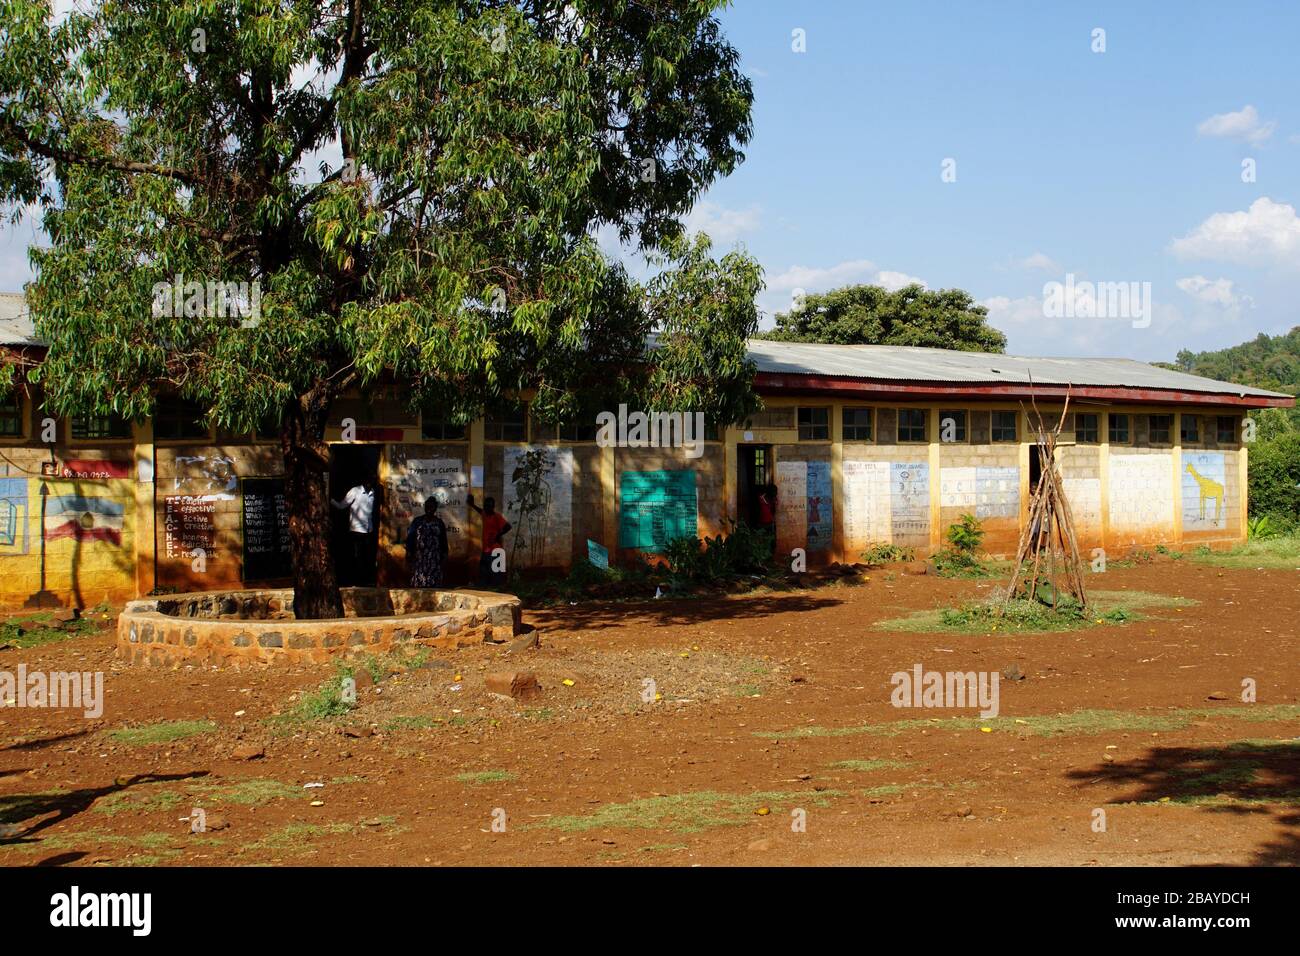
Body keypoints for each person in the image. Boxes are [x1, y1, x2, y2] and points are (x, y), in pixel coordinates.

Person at [330, 476, 377, 586]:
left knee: (366, 556)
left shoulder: (373, 493)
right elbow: (342, 506)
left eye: (372, 482)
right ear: (364, 481)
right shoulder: (355, 491)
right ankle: (355, 580)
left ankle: (365, 581)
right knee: (356, 556)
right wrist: (330, 500)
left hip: (368, 530)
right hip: (356, 530)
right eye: (368, 482)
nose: (370, 484)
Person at [467, 493, 511, 589]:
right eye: (486, 506)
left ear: (493, 507)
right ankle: (486, 589)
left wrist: (497, 536)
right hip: (486, 550)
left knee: (495, 574)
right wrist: (472, 505)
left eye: (489, 506)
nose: (487, 508)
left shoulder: (497, 516)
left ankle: (497, 591)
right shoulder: (485, 515)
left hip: (495, 550)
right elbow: (480, 511)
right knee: (484, 572)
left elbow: (508, 527)